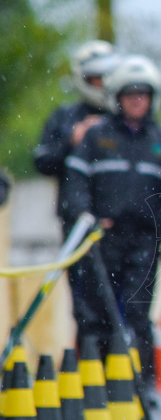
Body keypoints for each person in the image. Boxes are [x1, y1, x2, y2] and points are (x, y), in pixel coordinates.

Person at [63, 55, 161, 404]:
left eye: (142, 94)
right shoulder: (96, 136)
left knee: (137, 313)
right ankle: (95, 386)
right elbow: (76, 184)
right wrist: (84, 217)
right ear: (117, 97)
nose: (136, 99)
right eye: (129, 93)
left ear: (152, 98)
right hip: (102, 241)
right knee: (96, 313)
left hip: (143, 242)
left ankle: (141, 385)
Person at [34, 40, 121, 347]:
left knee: (124, 303)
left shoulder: (124, 116)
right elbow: (42, 160)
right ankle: (91, 373)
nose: (103, 84)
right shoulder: (66, 117)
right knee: (85, 304)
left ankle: (126, 375)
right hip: (79, 221)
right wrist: (72, 140)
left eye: (108, 76)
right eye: (97, 78)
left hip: (119, 224)